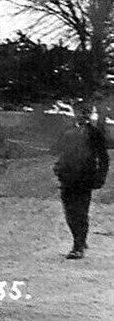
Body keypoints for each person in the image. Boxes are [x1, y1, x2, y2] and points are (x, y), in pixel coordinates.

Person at [53, 103, 109, 259]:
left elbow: (103, 157)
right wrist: (58, 168)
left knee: (81, 212)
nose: (83, 115)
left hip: (85, 178)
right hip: (67, 177)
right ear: (75, 112)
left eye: (87, 113)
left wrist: (100, 177)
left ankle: (78, 246)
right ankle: (79, 239)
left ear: (90, 115)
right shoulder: (67, 131)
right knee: (69, 212)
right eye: (81, 112)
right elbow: (61, 152)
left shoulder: (95, 133)